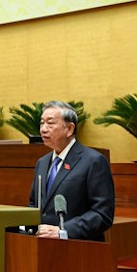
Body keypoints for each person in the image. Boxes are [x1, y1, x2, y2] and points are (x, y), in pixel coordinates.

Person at [28, 101, 114, 241]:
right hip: (42, 246)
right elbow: (34, 204)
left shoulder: (93, 161)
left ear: (69, 129)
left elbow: (102, 214)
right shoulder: (42, 163)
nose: (43, 129)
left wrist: (63, 231)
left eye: (50, 123)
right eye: (42, 123)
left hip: (79, 249)